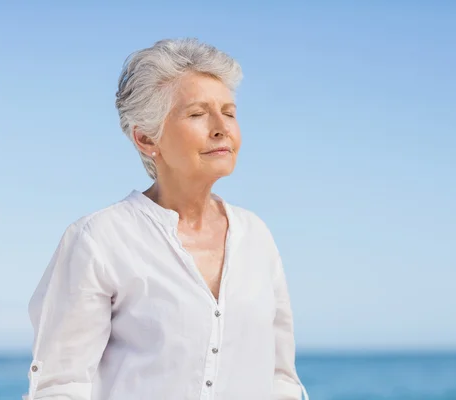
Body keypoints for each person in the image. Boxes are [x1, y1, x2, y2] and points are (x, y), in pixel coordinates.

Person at [23, 38, 308, 400]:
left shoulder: (256, 236)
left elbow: (280, 376)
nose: (221, 127)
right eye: (197, 113)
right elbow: (61, 386)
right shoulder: (99, 239)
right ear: (145, 138)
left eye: (230, 111)